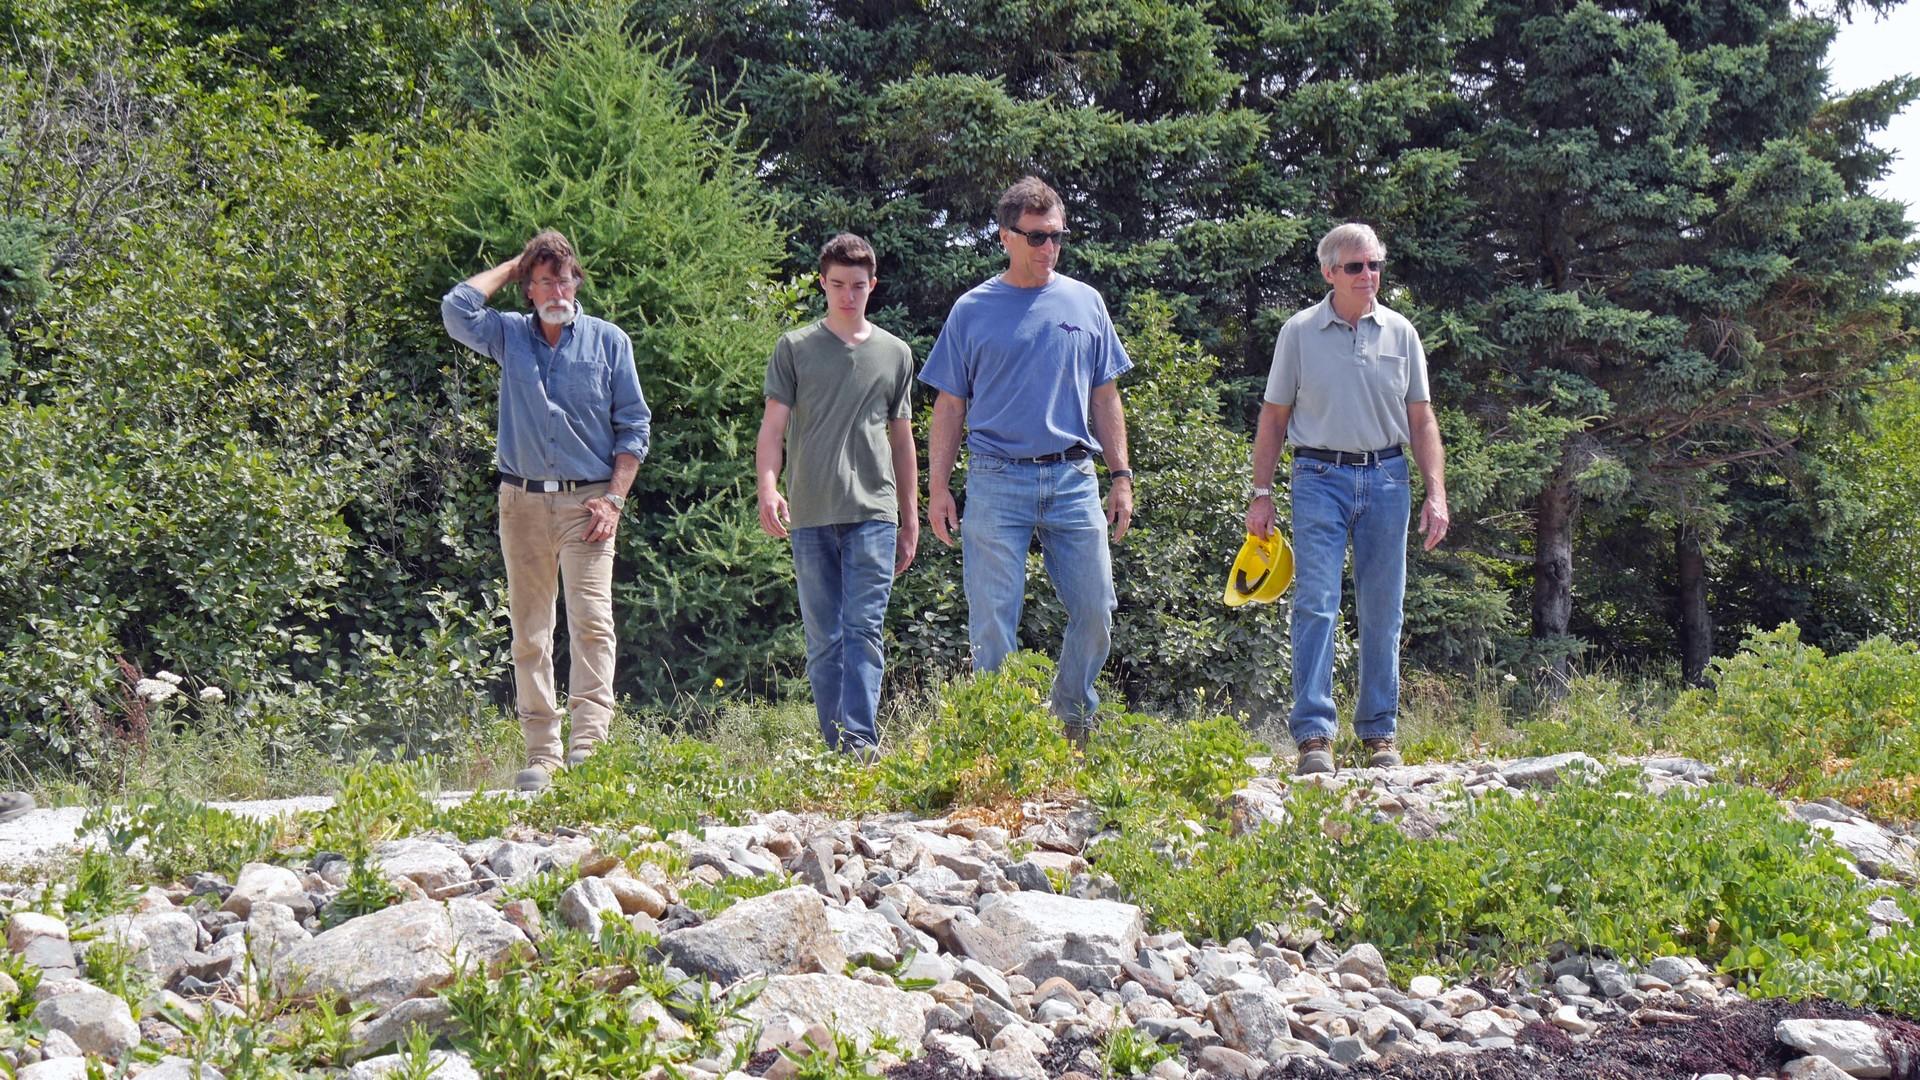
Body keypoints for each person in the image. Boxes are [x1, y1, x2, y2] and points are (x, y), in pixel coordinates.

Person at [921, 176, 1135, 744]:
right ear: (1005, 237)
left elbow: (1105, 395)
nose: (1049, 249)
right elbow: (949, 404)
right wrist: (937, 487)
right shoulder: (972, 310)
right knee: (993, 621)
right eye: (1037, 237)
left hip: (1072, 476)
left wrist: (1122, 478)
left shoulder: (1086, 302)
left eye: (1058, 237)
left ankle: (1071, 720)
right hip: (995, 477)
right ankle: (1005, 739)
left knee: (1096, 611)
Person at [442, 230, 651, 792]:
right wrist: (512, 266)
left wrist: (614, 499)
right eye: (543, 280)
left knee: (592, 622)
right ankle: (543, 753)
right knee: (531, 631)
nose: (557, 288)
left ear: (577, 282)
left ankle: (589, 746)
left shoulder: (609, 342)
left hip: (590, 502)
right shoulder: (509, 336)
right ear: (528, 290)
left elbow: (635, 427)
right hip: (523, 502)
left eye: (564, 278)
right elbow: (456, 309)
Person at [1246, 222, 1449, 775]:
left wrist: (1437, 492)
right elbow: (1273, 416)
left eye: (1376, 265)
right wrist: (1260, 495)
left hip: (1387, 477)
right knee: (1315, 603)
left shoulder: (1401, 332)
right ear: (1329, 272)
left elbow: (1422, 418)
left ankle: (1379, 732)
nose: (1369, 276)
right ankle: (1314, 735)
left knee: (1384, 610)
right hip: (1318, 476)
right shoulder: (1300, 331)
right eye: (1356, 266)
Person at [755, 234, 918, 759]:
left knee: (863, 629)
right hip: (810, 513)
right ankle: (838, 749)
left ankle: (861, 745)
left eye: (859, 285)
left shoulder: (896, 354)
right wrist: (766, 487)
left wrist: (910, 517)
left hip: (875, 511)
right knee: (824, 640)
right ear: (823, 283)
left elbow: (902, 438)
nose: (848, 295)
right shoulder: (795, 347)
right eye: (838, 285)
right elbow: (773, 427)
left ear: (873, 285)